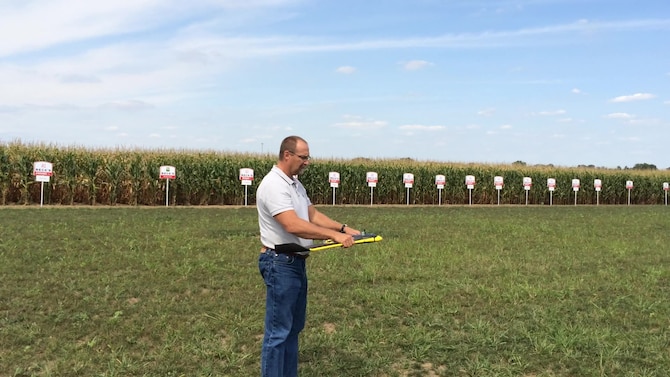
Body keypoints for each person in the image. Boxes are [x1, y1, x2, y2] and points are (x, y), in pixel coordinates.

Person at [256, 135, 360, 377]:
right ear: (287, 155)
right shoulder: (274, 185)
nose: (307, 162)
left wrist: (342, 229)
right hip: (279, 263)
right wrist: (331, 236)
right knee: (278, 332)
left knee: (293, 329)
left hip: (295, 262)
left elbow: (312, 216)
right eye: (303, 157)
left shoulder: (294, 184)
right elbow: (292, 224)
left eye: (308, 157)